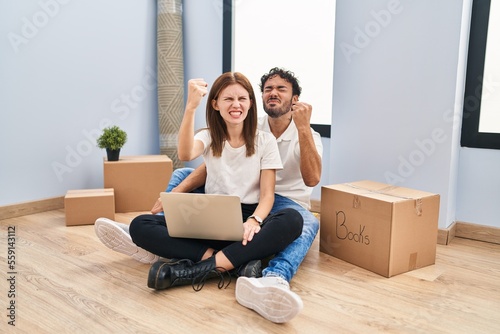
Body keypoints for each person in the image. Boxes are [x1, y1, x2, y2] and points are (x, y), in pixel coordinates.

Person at [95, 67, 323, 323]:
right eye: (268, 89)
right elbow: (199, 160)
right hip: (218, 206)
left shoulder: (278, 137)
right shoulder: (233, 126)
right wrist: (172, 197)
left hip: (269, 204)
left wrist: (255, 220)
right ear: (216, 103)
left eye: (281, 89)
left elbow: (297, 185)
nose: (273, 93)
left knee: (298, 220)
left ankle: (268, 277)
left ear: (295, 99)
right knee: (153, 210)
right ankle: (233, 263)